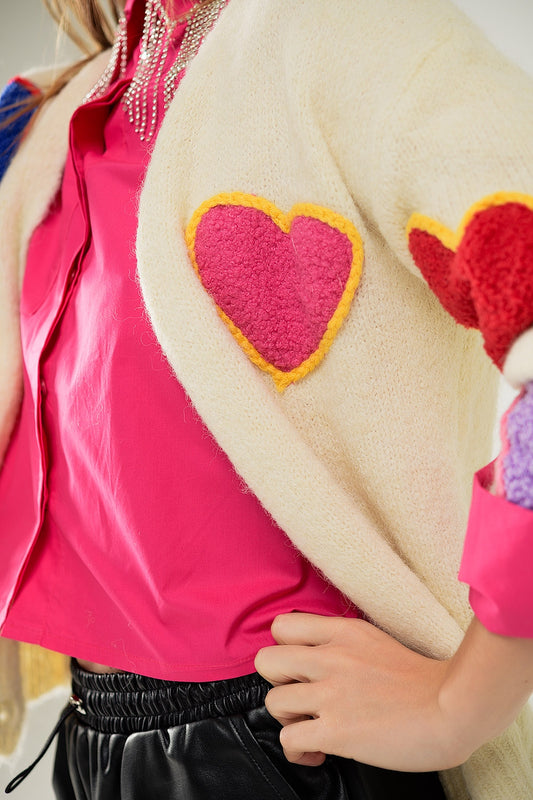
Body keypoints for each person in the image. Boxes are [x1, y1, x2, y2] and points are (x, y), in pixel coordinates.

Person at [0, 0, 532, 798]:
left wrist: (463, 698)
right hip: (90, 738)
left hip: (295, 747)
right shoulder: (45, 117)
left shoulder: (354, 33)